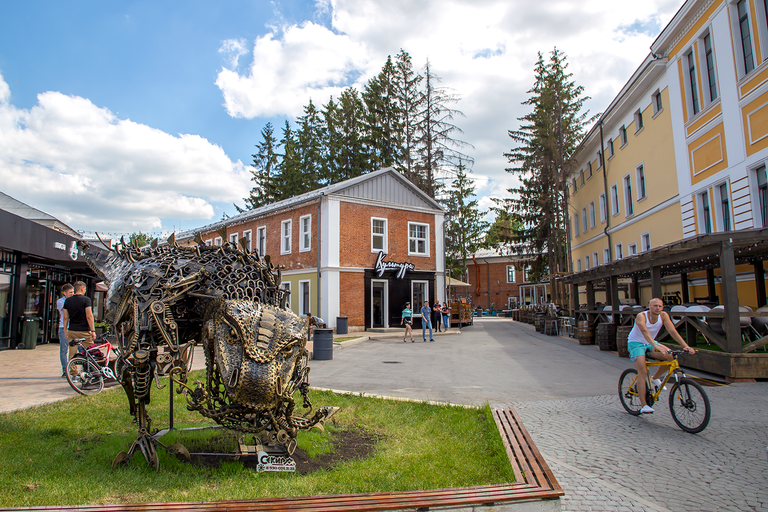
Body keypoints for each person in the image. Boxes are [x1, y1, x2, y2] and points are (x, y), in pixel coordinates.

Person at [627, 297, 695, 414]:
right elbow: (645, 331)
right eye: (655, 306)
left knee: (672, 356)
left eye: (660, 306)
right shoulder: (641, 316)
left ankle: (655, 378)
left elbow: (672, 331)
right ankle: (644, 405)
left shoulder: (663, 315)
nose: (658, 308)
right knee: (642, 372)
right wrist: (656, 346)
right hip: (636, 343)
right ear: (649, 306)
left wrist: (686, 346)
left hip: (650, 343)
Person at [62, 281, 96, 372]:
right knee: (91, 351)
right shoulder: (86, 300)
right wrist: (93, 330)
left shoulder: (67, 301)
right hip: (84, 330)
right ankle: (91, 371)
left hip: (72, 330)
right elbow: (89, 316)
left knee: (72, 352)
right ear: (82, 289)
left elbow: (65, 317)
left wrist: (65, 330)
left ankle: (73, 373)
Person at [56, 284, 74, 377]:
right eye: (70, 292)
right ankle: (65, 370)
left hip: (73, 327)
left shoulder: (72, 300)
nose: (72, 294)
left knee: (78, 348)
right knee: (64, 350)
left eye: (73, 292)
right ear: (64, 293)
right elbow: (66, 312)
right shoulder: (60, 301)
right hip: (63, 328)